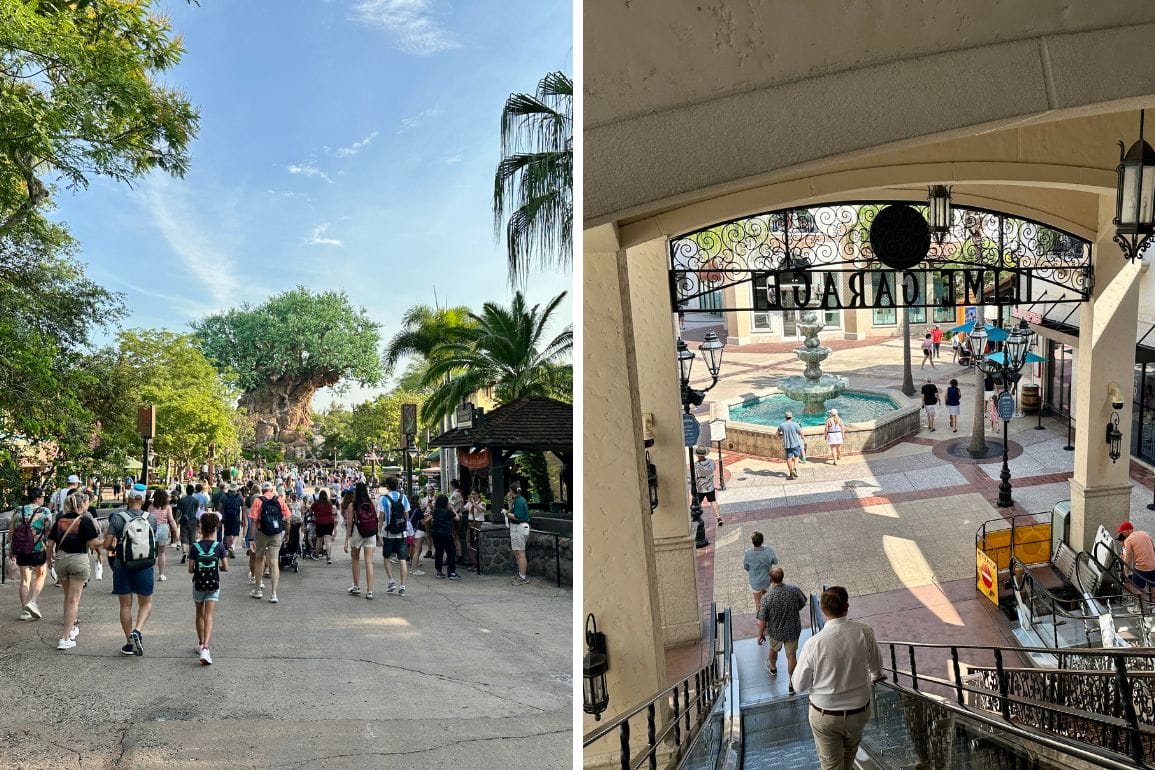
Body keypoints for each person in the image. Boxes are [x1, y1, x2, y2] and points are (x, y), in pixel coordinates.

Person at [792, 587, 884, 770]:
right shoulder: (864, 632)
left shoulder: (814, 644)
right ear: (847, 607)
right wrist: (875, 677)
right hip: (859, 710)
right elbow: (876, 667)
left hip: (825, 714)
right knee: (849, 755)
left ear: (822, 610)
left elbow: (799, 685)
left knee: (831, 765)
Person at [105, 484, 158, 656]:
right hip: (145, 565)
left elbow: (107, 545)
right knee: (146, 603)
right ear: (142, 500)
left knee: (125, 605)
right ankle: (138, 631)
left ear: (129, 497)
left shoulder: (118, 519)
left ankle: (129, 641)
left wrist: (117, 545)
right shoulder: (151, 518)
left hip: (122, 565)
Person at [47, 491, 102, 650]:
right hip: (78, 560)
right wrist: (106, 541)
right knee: (74, 600)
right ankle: (65, 638)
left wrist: (49, 559)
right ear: (82, 504)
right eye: (87, 503)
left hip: (61, 560)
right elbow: (92, 544)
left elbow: (50, 543)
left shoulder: (60, 521)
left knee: (67, 598)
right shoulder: (85, 521)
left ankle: (71, 629)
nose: (88, 505)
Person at [757, 566, 808, 691]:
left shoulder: (766, 598)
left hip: (775, 631)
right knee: (791, 655)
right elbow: (802, 603)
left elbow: (762, 619)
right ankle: (791, 682)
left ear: (770, 579)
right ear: (782, 577)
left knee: (773, 649)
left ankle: (773, 667)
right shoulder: (794, 590)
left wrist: (760, 634)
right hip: (793, 629)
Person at [190, 511, 228, 665]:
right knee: (209, 615)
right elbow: (226, 567)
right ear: (215, 529)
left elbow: (190, 569)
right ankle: (206, 647)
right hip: (213, 584)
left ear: (201, 528)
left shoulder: (195, 546)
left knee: (199, 613)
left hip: (198, 584)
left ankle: (200, 643)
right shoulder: (219, 546)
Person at [9, 487, 51, 621]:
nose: (43, 500)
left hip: (21, 549)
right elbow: (48, 532)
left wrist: (11, 549)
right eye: (42, 498)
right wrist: (52, 551)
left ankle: (24, 611)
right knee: (41, 575)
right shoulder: (44, 511)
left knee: (24, 580)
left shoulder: (18, 510)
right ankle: (32, 602)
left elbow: (11, 531)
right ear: (38, 498)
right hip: (38, 548)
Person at [246, 481, 291, 604]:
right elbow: (287, 519)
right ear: (272, 489)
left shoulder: (258, 501)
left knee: (259, 559)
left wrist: (251, 538)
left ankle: (258, 589)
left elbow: (254, 522)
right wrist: (287, 534)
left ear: (262, 490)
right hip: (276, 534)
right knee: (274, 562)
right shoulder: (280, 500)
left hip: (261, 533)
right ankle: (273, 594)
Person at [343, 482, 378, 599]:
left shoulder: (352, 505)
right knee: (369, 562)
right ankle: (370, 591)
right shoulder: (372, 502)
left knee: (355, 559)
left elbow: (349, 525)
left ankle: (356, 586)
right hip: (370, 533)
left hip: (357, 533)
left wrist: (346, 541)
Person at [378, 477, 410, 597]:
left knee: (386, 557)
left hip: (388, 534)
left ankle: (391, 581)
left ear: (387, 486)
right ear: (397, 485)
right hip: (402, 534)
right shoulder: (404, 498)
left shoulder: (383, 499)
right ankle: (402, 587)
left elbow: (381, 518)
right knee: (402, 559)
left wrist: (379, 533)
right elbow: (407, 516)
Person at [426, 493, 462, 580]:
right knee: (451, 552)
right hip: (446, 534)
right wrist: (453, 509)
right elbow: (457, 518)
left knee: (439, 552)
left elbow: (428, 519)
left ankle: (439, 572)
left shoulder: (435, 511)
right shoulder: (447, 512)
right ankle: (451, 572)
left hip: (436, 534)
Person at [1117, 522, 1155, 599]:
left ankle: (1138, 607)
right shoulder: (1145, 533)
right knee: (1153, 586)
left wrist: (1126, 573)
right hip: (1153, 565)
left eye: (1122, 532)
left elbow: (1128, 558)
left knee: (1138, 588)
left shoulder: (1128, 540)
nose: (1122, 533)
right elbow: (1153, 548)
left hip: (1141, 567)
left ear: (1127, 531)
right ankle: (1153, 604)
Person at [743, 531, 779, 613]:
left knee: (758, 602)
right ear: (762, 541)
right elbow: (775, 562)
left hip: (755, 582)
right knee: (767, 600)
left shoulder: (748, 553)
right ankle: (768, 615)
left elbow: (746, 567)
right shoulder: (768, 550)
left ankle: (761, 620)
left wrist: (753, 571)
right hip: (767, 580)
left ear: (753, 542)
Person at [148, 489, 178, 582]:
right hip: (163, 528)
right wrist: (176, 532)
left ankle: (149, 573)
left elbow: (147, 519)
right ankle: (161, 574)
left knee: (150, 553)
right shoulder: (167, 507)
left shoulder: (151, 507)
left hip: (152, 529)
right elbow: (171, 520)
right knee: (162, 552)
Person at [505, 483, 531, 585]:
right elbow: (512, 509)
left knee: (520, 552)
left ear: (512, 491)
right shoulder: (517, 500)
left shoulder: (519, 501)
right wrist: (509, 500)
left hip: (519, 527)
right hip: (516, 527)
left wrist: (506, 513)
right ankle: (521, 573)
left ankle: (523, 576)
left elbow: (516, 516)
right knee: (517, 552)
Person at [693, 446, 722, 525]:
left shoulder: (696, 465)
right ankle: (718, 517)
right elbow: (714, 469)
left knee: (697, 503)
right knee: (713, 501)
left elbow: (695, 475)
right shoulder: (711, 462)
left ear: (697, 455)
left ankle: (696, 517)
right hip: (710, 487)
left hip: (700, 488)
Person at [217, 483, 245, 558]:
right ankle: (232, 547)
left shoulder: (224, 496)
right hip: (236, 518)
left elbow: (220, 507)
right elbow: (243, 509)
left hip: (226, 518)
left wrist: (220, 518)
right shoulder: (240, 497)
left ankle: (230, 549)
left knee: (228, 534)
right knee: (236, 534)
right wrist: (243, 519)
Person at [311, 489, 336, 564]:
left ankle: (316, 555)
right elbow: (333, 511)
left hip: (319, 522)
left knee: (319, 540)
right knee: (328, 540)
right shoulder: (329, 503)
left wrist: (314, 514)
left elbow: (310, 510)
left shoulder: (316, 503)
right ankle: (328, 558)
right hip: (329, 522)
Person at [777, 411, 805, 479]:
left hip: (787, 444)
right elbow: (801, 432)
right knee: (796, 456)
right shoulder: (795, 424)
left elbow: (777, 434)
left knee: (789, 458)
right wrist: (803, 437)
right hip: (795, 443)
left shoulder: (781, 425)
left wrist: (780, 437)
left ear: (785, 417)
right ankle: (795, 468)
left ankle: (791, 472)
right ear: (791, 417)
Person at [465, 490, 487, 565]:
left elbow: (481, 510)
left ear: (478, 495)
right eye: (472, 494)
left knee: (477, 543)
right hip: (470, 523)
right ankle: (474, 562)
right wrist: (462, 502)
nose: (473, 496)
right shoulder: (469, 503)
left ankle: (479, 562)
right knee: (469, 543)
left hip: (478, 523)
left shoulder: (482, 503)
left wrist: (473, 503)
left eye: (474, 494)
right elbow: (463, 509)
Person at [448, 478, 467, 564]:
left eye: (450, 485)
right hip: (460, 515)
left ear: (453, 485)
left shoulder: (455, 494)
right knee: (456, 537)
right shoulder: (460, 494)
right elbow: (463, 509)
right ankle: (459, 555)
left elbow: (450, 505)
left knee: (454, 536)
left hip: (455, 517)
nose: (449, 487)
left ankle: (456, 555)